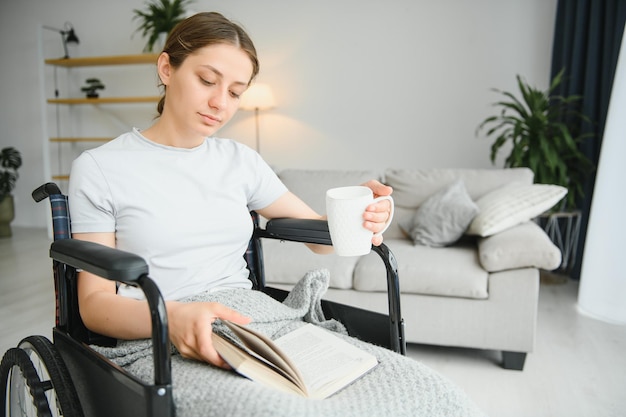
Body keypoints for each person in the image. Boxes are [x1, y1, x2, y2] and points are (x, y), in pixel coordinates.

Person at [68, 11, 393, 370]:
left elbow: (318, 236)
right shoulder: (101, 167)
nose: (221, 104)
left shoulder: (240, 160)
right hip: (162, 336)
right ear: (166, 69)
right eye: (207, 80)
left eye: (236, 92)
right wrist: (172, 318)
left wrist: (358, 212)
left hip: (250, 321)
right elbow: (94, 306)